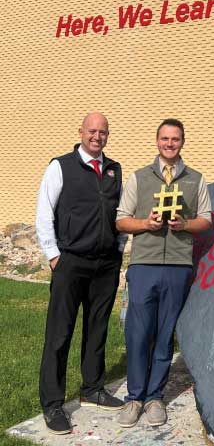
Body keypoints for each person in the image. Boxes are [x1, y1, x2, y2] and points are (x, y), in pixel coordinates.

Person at [116, 118, 212, 428]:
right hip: (144, 264)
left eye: (175, 139)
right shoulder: (139, 178)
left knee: (164, 333)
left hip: (178, 267)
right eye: (165, 138)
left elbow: (206, 219)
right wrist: (146, 224)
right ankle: (135, 397)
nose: (170, 144)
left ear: (182, 142)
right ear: (157, 141)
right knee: (138, 333)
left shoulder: (195, 179)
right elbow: (121, 220)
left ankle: (155, 397)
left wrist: (185, 225)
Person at [36, 112, 125, 435]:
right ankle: (52, 404)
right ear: (81, 132)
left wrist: (119, 248)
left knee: (97, 328)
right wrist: (54, 256)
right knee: (59, 334)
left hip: (105, 264)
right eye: (92, 131)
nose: (97, 137)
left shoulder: (114, 169)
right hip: (70, 262)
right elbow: (44, 212)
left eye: (102, 132)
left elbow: (120, 212)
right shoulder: (60, 166)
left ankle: (92, 388)